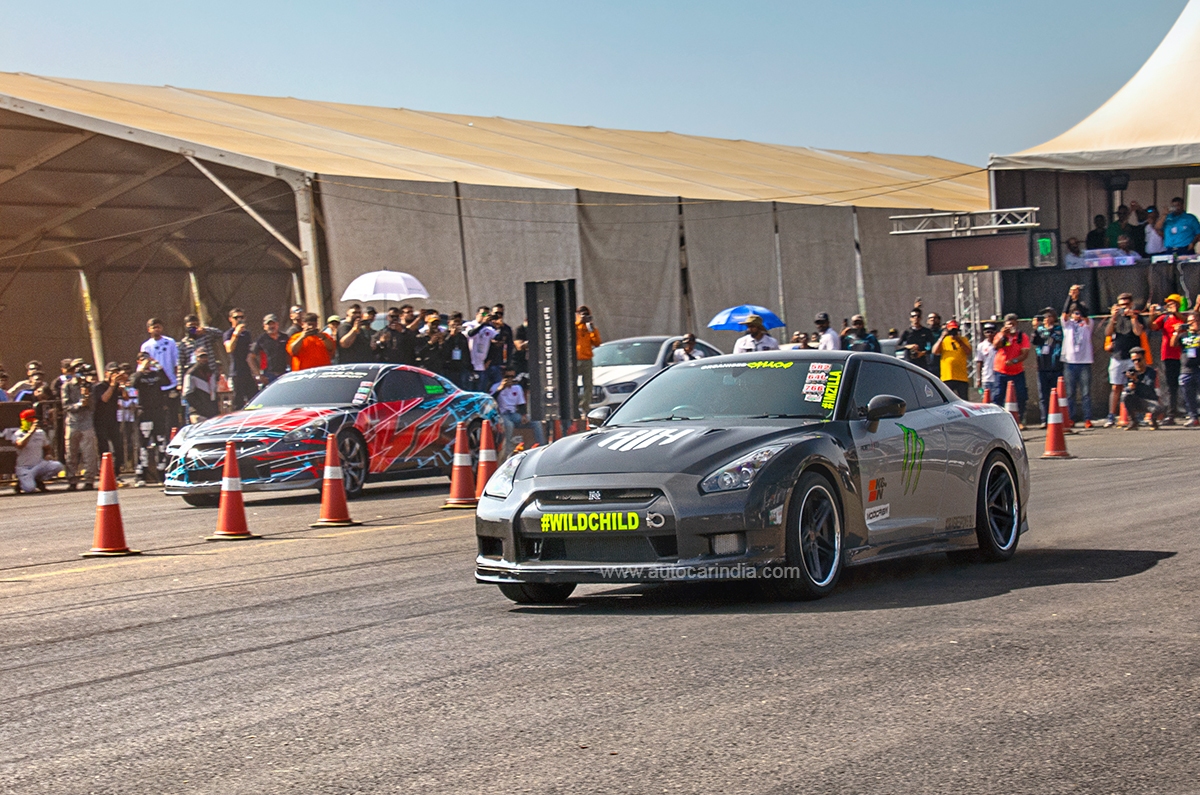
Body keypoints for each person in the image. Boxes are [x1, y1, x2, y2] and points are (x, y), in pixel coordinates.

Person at [1104, 293, 1144, 427]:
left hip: (1133, 356)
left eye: (1126, 305)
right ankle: (1111, 415)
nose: (1124, 308)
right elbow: (1108, 333)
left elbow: (1138, 332)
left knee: (1134, 385)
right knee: (1116, 387)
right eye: (1121, 305)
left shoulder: (1137, 317)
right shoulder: (1117, 318)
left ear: (1131, 304)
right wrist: (1113, 318)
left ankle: (1137, 415)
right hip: (1117, 356)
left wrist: (1133, 318)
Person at [131, 352, 171, 486]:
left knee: (161, 443)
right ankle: (140, 475)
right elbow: (133, 383)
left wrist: (158, 366)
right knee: (143, 444)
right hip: (145, 413)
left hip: (158, 412)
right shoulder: (138, 375)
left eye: (148, 359)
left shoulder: (155, 375)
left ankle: (162, 475)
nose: (147, 362)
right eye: (143, 359)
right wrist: (141, 369)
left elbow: (167, 381)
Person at [62, 361, 98, 490]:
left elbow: (93, 407)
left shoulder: (90, 386)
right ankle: (72, 480)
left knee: (89, 453)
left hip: (87, 423)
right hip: (73, 423)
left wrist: (87, 397)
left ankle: (89, 480)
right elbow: (66, 406)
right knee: (71, 453)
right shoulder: (67, 386)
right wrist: (79, 404)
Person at [490, 368, 542, 457]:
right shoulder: (495, 387)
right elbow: (490, 401)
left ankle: (542, 446)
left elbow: (521, 403)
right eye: (507, 376)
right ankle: (507, 453)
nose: (510, 379)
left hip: (514, 414)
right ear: (503, 376)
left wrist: (523, 415)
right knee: (509, 425)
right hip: (501, 414)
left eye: (512, 377)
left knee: (536, 421)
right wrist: (500, 389)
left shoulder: (517, 388)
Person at [1150, 294, 1186, 424]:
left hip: (1183, 355)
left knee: (1187, 383)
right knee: (1171, 386)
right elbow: (1153, 326)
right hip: (1168, 355)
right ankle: (1171, 414)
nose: (1170, 306)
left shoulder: (1183, 317)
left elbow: (1187, 323)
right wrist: (1152, 314)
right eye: (1168, 304)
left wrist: (1176, 313)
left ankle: (1189, 411)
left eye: (1172, 303)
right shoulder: (1164, 318)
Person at [139, 318, 181, 429]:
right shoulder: (146, 346)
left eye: (158, 327)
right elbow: (144, 364)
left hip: (171, 382)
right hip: (155, 384)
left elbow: (176, 361)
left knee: (173, 412)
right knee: (159, 413)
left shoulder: (170, 342)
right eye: (154, 327)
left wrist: (178, 380)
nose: (156, 329)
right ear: (149, 330)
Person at [991, 314, 1031, 427]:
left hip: (1017, 372)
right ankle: (997, 421)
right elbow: (995, 346)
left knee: (1021, 396)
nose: (1011, 326)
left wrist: (1014, 361)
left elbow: (1025, 354)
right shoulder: (1000, 335)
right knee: (998, 396)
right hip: (1001, 371)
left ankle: (1020, 419)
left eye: (1013, 323)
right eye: (1009, 324)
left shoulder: (1022, 337)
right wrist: (1003, 334)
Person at [12, 409, 63, 494]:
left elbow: (47, 447)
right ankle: (21, 483)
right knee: (30, 489)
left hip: (38, 464)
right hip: (25, 468)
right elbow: (20, 445)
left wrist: (48, 454)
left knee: (58, 466)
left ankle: (38, 479)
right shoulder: (18, 434)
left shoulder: (40, 433)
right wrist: (31, 432)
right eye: (30, 420)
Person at [92, 363, 127, 478]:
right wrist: (112, 385)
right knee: (104, 447)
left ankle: (116, 472)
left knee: (118, 446)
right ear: (106, 373)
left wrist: (122, 386)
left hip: (113, 419)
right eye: (112, 372)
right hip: (100, 420)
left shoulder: (116, 386)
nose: (115, 375)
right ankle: (104, 471)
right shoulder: (99, 386)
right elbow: (104, 399)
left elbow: (125, 397)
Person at [1061, 304, 1094, 428]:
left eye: (1079, 313)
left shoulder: (1087, 323)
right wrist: (1071, 298)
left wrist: (1077, 300)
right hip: (1070, 362)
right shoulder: (1068, 324)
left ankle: (1087, 418)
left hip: (1085, 362)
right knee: (1070, 393)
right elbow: (1064, 315)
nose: (1077, 315)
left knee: (1086, 392)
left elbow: (1086, 317)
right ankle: (1071, 418)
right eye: (1075, 313)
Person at [1031, 309, 1064, 427]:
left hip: (1056, 366)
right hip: (1042, 366)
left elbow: (1059, 339)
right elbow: (1035, 341)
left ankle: (1058, 417)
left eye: (1049, 316)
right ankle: (1044, 419)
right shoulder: (1039, 331)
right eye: (1044, 317)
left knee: (1057, 394)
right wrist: (1036, 328)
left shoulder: (1058, 330)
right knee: (1043, 395)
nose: (1046, 319)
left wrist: (1050, 331)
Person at [222, 307, 256, 410]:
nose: (239, 319)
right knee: (238, 401)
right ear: (231, 319)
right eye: (236, 317)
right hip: (236, 371)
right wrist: (236, 334)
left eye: (241, 317)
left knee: (253, 398)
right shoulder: (228, 334)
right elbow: (229, 349)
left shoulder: (247, 334)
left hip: (247, 370)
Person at [1122, 347, 1162, 429]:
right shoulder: (1130, 372)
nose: (1136, 362)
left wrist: (1136, 381)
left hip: (1149, 400)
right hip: (1136, 400)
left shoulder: (1150, 372)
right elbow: (1126, 388)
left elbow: (1148, 387)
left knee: (1159, 408)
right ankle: (1133, 421)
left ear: (1144, 359)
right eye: (1134, 360)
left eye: (1138, 360)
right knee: (1125, 396)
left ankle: (1153, 421)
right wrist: (1130, 387)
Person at [177, 314, 223, 384]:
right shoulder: (183, 343)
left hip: (209, 373)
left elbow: (220, 333)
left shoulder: (206, 337)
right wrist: (180, 382)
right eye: (191, 325)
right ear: (186, 326)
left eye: (196, 325)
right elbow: (181, 364)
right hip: (193, 376)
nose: (193, 327)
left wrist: (205, 330)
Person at [575, 305, 603, 418]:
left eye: (586, 314)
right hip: (575, 360)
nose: (584, 316)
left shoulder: (589, 328)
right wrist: (579, 322)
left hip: (587, 360)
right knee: (573, 385)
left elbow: (597, 343)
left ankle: (585, 407)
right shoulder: (575, 327)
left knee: (588, 386)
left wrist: (592, 329)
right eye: (582, 314)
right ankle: (575, 406)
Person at [933, 320, 971, 399]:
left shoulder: (963, 340)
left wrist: (959, 341)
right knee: (946, 399)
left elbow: (968, 352)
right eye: (951, 331)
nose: (953, 333)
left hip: (961, 377)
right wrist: (942, 337)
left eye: (955, 330)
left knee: (964, 399)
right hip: (947, 376)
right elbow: (935, 351)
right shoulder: (944, 341)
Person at [249, 314, 290, 386]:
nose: (271, 326)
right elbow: (250, 358)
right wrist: (258, 375)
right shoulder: (261, 340)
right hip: (269, 375)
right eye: (269, 324)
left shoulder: (285, 337)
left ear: (277, 324)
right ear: (264, 326)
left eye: (273, 324)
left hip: (285, 373)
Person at [1174, 312, 1200, 426]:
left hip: (1198, 368)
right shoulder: (1184, 335)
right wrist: (1177, 332)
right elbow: (1173, 344)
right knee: (1188, 396)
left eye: (1193, 322)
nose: (1190, 324)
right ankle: (1193, 417)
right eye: (1188, 322)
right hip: (1186, 370)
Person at [183, 349, 219, 423]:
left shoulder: (211, 373)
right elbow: (187, 394)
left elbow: (214, 392)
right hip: (197, 413)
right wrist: (200, 408)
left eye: (205, 357)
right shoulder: (191, 374)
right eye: (201, 357)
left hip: (211, 412)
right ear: (196, 358)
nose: (204, 359)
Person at [467, 311, 499, 391]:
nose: (485, 317)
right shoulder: (470, 325)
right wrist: (483, 324)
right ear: (477, 314)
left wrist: (498, 326)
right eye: (483, 314)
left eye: (487, 315)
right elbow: (470, 334)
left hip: (481, 366)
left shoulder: (489, 329)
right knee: (469, 391)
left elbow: (498, 339)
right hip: (469, 366)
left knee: (480, 391)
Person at [441, 313, 472, 389]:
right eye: (455, 321)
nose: (457, 324)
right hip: (448, 368)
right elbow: (443, 349)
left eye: (459, 322)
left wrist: (469, 366)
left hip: (460, 367)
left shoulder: (462, 337)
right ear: (449, 323)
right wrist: (451, 336)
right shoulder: (444, 335)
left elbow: (466, 352)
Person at [975, 320, 999, 399]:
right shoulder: (981, 345)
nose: (990, 334)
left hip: (998, 377)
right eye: (987, 332)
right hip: (987, 378)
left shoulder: (1000, 344)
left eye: (992, 332)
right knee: (986, 400)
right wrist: (979, 378)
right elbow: (979, 362)